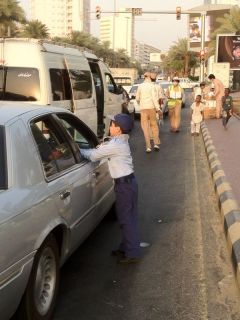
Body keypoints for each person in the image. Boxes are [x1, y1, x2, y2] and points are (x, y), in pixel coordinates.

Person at [81, 113, 140, 264]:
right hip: (129, 183)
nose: (110, 126)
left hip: (124, 186)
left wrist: (77, 150)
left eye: (112, 124)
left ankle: (132, 253)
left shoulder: (116, 145)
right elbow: (103, 146)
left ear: (119, 129)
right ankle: (126, 246)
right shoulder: (119, 141)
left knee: (126, 219)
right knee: (127, 217)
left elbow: (94, 155)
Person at [136, 71, 162, 153]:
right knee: (154, 126)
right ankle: (156, 144)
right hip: (151, 108)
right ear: (150, 77)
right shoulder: (152, 86)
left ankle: (148, 147)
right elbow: (154, 98)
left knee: (145, 128)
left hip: (143, 109)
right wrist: (158, 109)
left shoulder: (140, 86)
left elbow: (137, 98)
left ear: (144, 77)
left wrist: (141, 104)